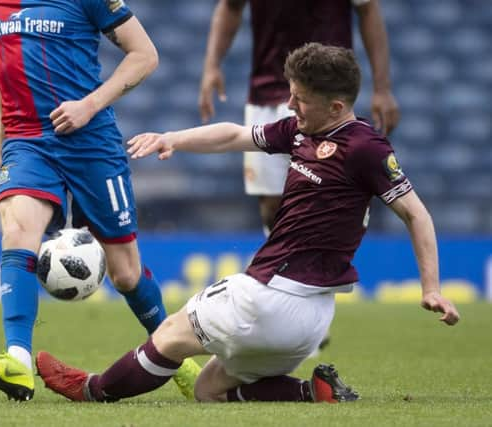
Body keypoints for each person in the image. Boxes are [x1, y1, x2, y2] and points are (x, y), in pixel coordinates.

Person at [35, 43, 460, 404]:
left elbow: (416, 212)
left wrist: (432, 288)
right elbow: (236, 135)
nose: (291, 105)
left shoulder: (365, 147)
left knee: (169, 334)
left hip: (270, 296)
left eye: (300, 98)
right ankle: (311, 392)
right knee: (209, 390)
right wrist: (173, 139)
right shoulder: (302, 131)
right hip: (308, 323)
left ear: (336, 106)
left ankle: (91, 389)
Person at [0, 0, 199, 402]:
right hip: (28, 142)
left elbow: (144, 55)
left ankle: (179, 360)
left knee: (126, 274)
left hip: (90, 140)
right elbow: (2, 64)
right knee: (18, 230)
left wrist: (89, 105)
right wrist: (2, 145)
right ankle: (18, 361)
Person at [199, 0, 400, 234]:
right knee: (272, 207)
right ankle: (278, 265)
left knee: (328, 197)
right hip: (266, 93)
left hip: (325, 94)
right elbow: (230, 7)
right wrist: (211, 66)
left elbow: (368, 9)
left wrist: (382, 88)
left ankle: (329, 265)